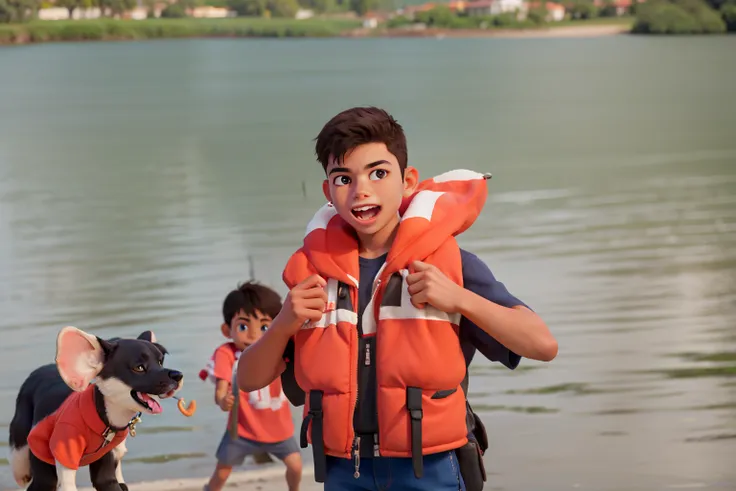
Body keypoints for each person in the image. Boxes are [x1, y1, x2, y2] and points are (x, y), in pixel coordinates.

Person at [237, 107, 558, 490]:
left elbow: (542, 345)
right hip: (344, 473)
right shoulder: (311, 276)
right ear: (328, 191)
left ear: (408, 182)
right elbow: (248, 378)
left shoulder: (450, 265)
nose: (362, 191)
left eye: (378, 173)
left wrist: (459, 299)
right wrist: (285, 320)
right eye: (343, 178)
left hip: (431, 470)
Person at [199, 281, 302, 491]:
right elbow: (220, 390)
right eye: (243, 326)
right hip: (242, 431)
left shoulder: (283, 349)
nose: (254, 335)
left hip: (279, 431)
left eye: (265, 326)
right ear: (227, 329)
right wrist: (222, 400)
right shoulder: (226, 354)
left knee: (296, 467)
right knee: (222, 472)